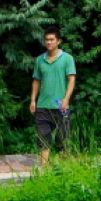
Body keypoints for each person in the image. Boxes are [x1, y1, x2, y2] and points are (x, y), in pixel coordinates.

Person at [28, 29, 77, 168]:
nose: (49, 42)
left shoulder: (67, 58)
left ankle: (63, 168)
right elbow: (36, 80)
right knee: (43, 137)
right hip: (43, 105)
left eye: (52, 39)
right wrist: (33, 100)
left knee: (63, 139)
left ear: (58, 41)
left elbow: (71, 79)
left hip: (61, 106)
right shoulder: (40, 60)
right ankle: (45, 168)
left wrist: (66, 99)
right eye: (47, 40)